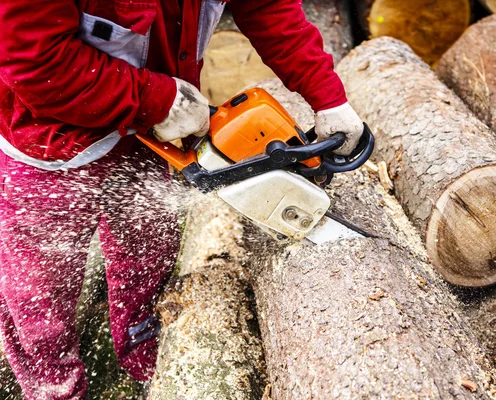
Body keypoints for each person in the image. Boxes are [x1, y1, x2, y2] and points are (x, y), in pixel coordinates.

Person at [0, 0, 364, 398]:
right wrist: (156, 100)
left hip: (148, 131)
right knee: (39, 290)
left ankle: (145, 350)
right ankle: (53, 384)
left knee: (148, 248)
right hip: (45, 143)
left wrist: (326, 96)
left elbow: (267, 6)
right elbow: (36, 63)